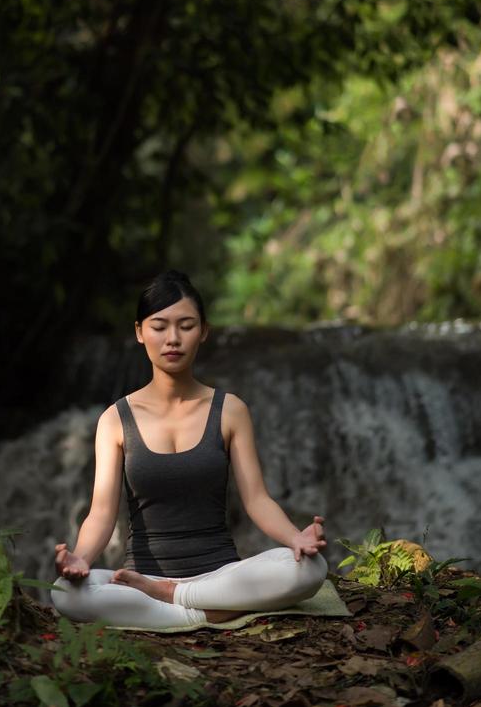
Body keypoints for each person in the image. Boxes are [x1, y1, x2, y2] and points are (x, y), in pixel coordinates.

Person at [51, 270, 327, 630]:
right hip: (141, 582)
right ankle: (209, 611)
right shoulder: (114, 420)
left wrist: (295, 538)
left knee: (310, 569)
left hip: (222, 577)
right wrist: (81, 559)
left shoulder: (230, 410)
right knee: (63, 591)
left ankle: (176, 602)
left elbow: (257, 500)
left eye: (186, 325)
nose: (173, 339)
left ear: (204, 332)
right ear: (139, 332)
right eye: (159, 326)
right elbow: (101, 514)